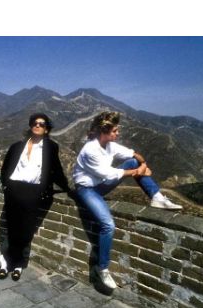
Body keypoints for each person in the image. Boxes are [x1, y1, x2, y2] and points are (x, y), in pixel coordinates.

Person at [73, 111, 182, 289]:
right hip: (87, 189)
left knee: (133, 162)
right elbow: (108, 173)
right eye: (115, 131)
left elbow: (133, 154)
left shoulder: (109, 144)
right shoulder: (90, 150)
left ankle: (157, 197)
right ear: (104, 131)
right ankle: (103, 269)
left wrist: (143, 164)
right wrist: (138, 172)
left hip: (101, 184)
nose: (118, 133)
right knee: (108, 225)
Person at [0, 113, 70, 281]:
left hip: (33, 192)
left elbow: (57, 170)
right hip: (14, 190)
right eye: (35, 123)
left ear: (47, 129)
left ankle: (17, 264)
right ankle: (5, 263)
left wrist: (69, 189)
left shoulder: (51, 147)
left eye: (42, 124)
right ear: (31, 126)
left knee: (25, 230)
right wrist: (6, 185)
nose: (38, 126)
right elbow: (5, 168)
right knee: (12, 228)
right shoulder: (17, 146)